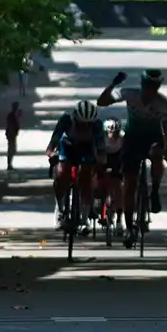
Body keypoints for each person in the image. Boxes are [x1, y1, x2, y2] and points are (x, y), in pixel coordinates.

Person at [97, 69, 167, 246]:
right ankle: (130, 228)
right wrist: (113, 84)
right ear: (142, 85)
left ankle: (154, 192)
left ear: (158, 87)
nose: (150, 91)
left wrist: (166, 149)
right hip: (132, 139)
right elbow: (102, 102)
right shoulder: (130, 94)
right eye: (147, 86)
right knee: (129, 185)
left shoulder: (162, 103)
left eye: (154, 87)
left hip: (153, 138)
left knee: (156, 153)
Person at [46, 100, 106, 234]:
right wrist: (51, 154)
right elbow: (53, 143)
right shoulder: (66, 120)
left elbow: (101, 148)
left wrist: (101, 161)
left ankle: (84, 218)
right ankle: (60, 208)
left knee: (86, 176)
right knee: (62, 174)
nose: (84, 126)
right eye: (81, 124)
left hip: (87, 149)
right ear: (75, 118)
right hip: (67, 146)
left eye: (87, 124)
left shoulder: (96, 125)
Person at [102, 118, 126, 236]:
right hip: (104, 161)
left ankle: (119, 220)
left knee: (118, 188)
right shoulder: (101, 139)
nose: (113, 136)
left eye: (115, 133)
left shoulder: (122, 139)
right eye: (110, 133)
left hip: (118, 162)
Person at [5, 101, 22, 171]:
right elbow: (11, 125)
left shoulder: (13, 115)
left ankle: (10, 164)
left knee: (13, 149)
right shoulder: (11, 115)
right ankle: (9, 164)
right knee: (11, 149)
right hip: (11, 134)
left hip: (12, 134)